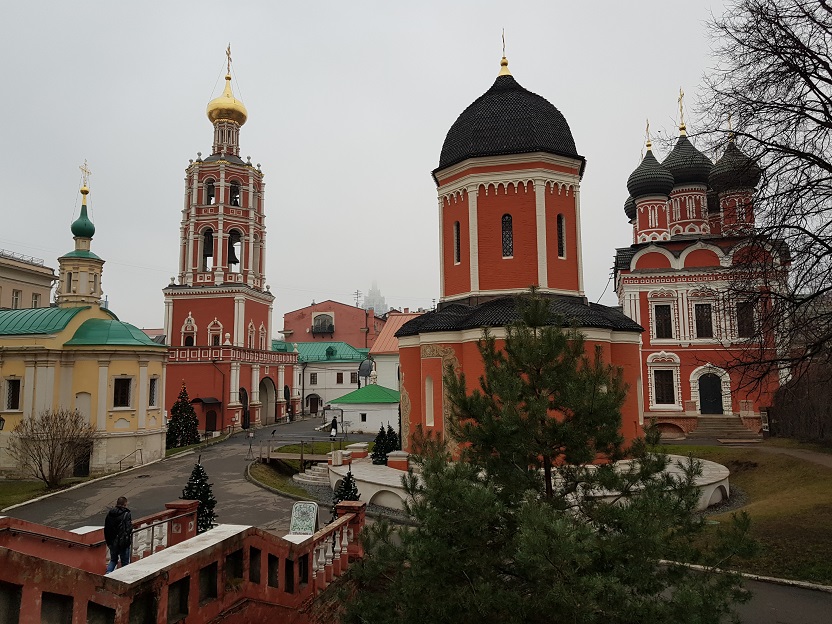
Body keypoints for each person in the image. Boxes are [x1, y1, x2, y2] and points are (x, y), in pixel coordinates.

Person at [104, 496, 133, 573]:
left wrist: (109, 542)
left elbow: (106, 528)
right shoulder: (126, 514)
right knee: (125, 563)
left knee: (113, 560)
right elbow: (128, 528)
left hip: (112, 542)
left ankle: (108, 574)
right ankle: (123, 578)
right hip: (123, 542)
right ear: (124, 504)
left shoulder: (110, 514)